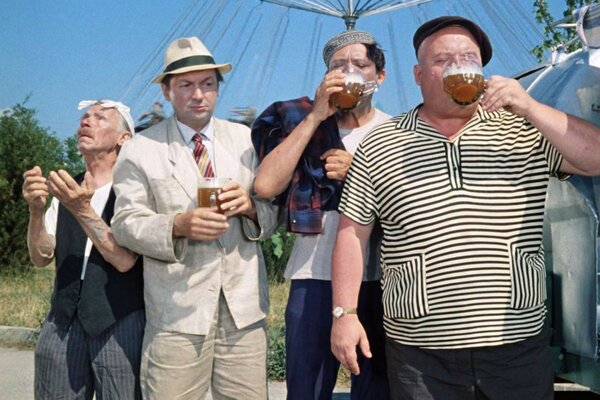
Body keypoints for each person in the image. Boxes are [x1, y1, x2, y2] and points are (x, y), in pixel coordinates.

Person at [330, 16, 600, 400]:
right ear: (419, 75)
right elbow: (351, 233)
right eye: (443, 60)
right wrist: (344, 314)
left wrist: (530, 106)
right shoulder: (381, 143)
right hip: (420, 354)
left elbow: (594, 158)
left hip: (516, 345)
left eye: (468, 58)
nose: (458, 66)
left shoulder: (522, 128)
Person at [111, 36, 279, 399]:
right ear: (167, 91)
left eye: (208, 84)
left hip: (243, 312)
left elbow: (275, 212)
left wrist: (250, 207)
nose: (198, 94)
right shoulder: (140, 149)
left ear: (218, 88)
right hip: (177, 314)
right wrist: (177, 225)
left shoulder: (247, 141)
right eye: (186, 85)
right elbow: (124, 222)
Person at [252, 30, 390, 399]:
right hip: (312, 274)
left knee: (377, 386)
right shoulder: (305, 122)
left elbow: (411, 206)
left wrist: (359, 172)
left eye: (360, 65)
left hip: (378, 279)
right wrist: (315, 116)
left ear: (379, 76)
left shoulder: (395, 132)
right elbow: (265, 185)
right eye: (338, 66)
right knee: (306, 388)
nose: (348, 72)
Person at [22, 99, 144, 399]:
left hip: (119, 320)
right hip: (62, 321)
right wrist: (36, 211)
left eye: (100, 118)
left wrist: (81, 209)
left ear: (123, 138)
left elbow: (125, 261)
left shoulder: (135, 191)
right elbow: (40, 256)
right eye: (85, 117)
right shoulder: (66, 189)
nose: (86, 122)